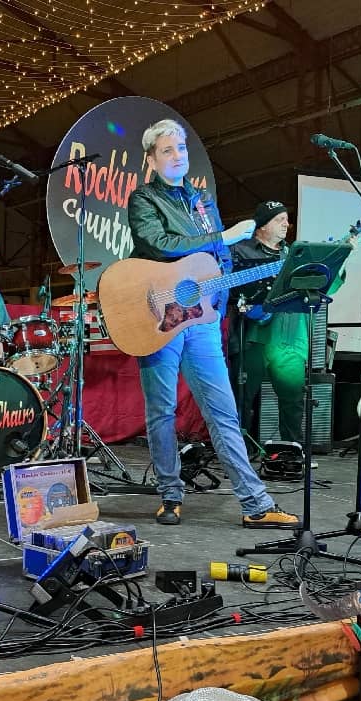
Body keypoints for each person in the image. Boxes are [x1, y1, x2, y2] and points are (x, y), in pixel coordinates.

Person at [126, 118, 301, 529]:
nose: (177, 157)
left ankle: (256, 504)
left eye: (181, 150)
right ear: (151, 159)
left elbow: (216, 262)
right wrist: (222, 237)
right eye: (167, 150)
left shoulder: (202, 201)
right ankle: (170, 495)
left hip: (201, 319)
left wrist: (218, 299)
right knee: (162, 411)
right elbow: (161, 245)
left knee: (222, 411)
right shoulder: (143, 199)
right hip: (157, 316)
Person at [230, 202, 352, 448]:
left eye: (287, 219)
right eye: (280, 219)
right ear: (262, 225)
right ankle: (239, 452)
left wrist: (342, 258)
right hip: (254, 337)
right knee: (241, 399)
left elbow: (325, 286)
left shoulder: (295, 255)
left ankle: (292, 452)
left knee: (292, 402)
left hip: (290, 339)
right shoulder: (239, 252)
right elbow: (229, 292)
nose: (287, 224)